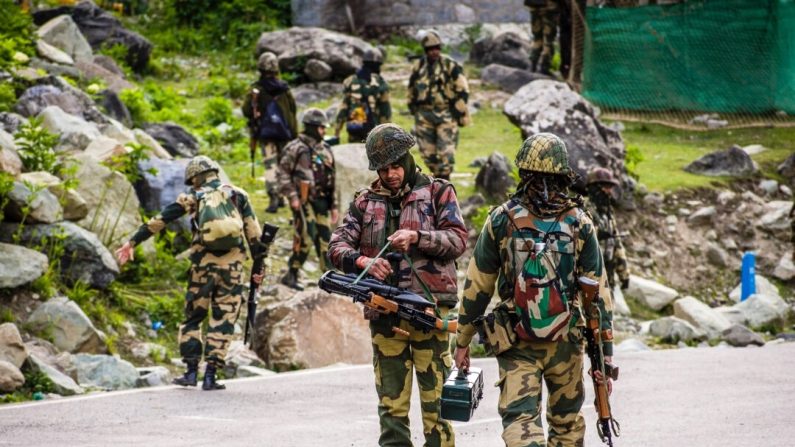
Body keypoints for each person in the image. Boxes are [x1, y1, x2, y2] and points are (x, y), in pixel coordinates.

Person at [454, 133, 615, 446]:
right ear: (561, 173)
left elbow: (477, 287)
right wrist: (605, 360)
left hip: (516, 338)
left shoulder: (501, 219)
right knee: (567, 424)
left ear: (522, 173)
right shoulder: (579, 222)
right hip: (567, 340)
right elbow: (600, 299)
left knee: (520, 420)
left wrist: (461, 342)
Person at [328, 123, 467, 447]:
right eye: (383, 168)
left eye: (395, 166)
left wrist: (417, 237)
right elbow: (336, 247)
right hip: (385, 316)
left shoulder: (438, 192)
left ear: (407, 159)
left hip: (431, 315)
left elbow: (458, 240)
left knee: (437, 407)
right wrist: (362, 262)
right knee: (391, 407)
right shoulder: (364, 202)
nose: (390, 174)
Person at [115, 156, 265, 391]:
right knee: (223, 320)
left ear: (196, 178)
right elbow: (254, 235)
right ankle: (211, 375)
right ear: (215, 172)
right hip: (233, 268)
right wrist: (259, 269)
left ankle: (191, 372)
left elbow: (161, 219)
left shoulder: (194, 197)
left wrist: (132, 242)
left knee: (194, 317)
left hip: (202, 267)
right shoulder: (238, 195)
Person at [277, 108, 338, 290]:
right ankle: (292, 274)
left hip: (321, 201)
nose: (324, 131)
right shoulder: (295, 148)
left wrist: (333, 205)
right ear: (311, 127)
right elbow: (283, 174)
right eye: (321, 127)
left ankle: (329, 278)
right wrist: (293, 196)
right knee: (305, 236)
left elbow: (332, 179)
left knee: (326, 238)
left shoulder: (325, 149)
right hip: (302, 201)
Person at [407, 30, 470, 180]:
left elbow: (463, 89)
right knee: (427, 154)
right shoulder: (419, 67)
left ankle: (444, 185)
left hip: (445, 113)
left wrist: (458, 112)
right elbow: (411, 88)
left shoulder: (450, 65)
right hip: (424, 115)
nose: (434, 51)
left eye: (437, 47)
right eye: (430, 49)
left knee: (446, 154)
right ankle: (436, 180)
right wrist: (413, 107)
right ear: (426, 50)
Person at [242, 51, 298, 213]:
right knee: (284, 166)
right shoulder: (284, 89)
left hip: (265, 134)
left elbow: (246, 111)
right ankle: (284, 197)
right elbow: (292, 111)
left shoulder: (256, 90)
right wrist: (294, 135)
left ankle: (274, 198)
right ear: (276, 69)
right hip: (284, 135)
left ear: (260, 68)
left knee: (270, 165)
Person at [584, 167, 630, 291]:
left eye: (610, 187)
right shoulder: (582, 210)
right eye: (605, 186)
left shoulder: (608, 213)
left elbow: (617, 244)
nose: (609, 191)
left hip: (607, 277)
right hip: (588, 277)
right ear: (594, 187)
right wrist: (597, 235)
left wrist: (624, 273)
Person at [334, 48, 391, 143]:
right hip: (373, 130)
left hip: (354, 127)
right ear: (377, 65)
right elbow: (385, 110)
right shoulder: (380, 82)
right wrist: (387, 133)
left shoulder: (350, 81)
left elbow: (343, 108)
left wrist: (337, 131)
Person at [525, 0, 561, 75]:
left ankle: (533, 64)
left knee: (537, 38)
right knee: (548, 40)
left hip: (534, 5)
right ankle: (544, 66)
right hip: (549, 6)